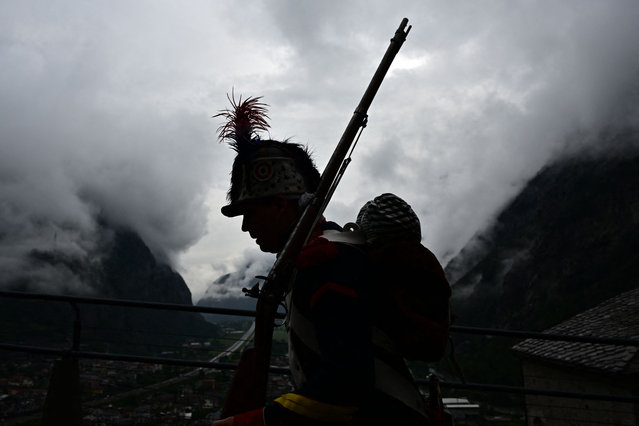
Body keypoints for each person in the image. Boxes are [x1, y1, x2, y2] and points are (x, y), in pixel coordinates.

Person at [213, 95, 432, 426]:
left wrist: (250, 421)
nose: (245, 226)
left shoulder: (326, 260)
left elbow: (346, 386)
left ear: (280, 207)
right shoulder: (322, 253)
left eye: (250, 212)